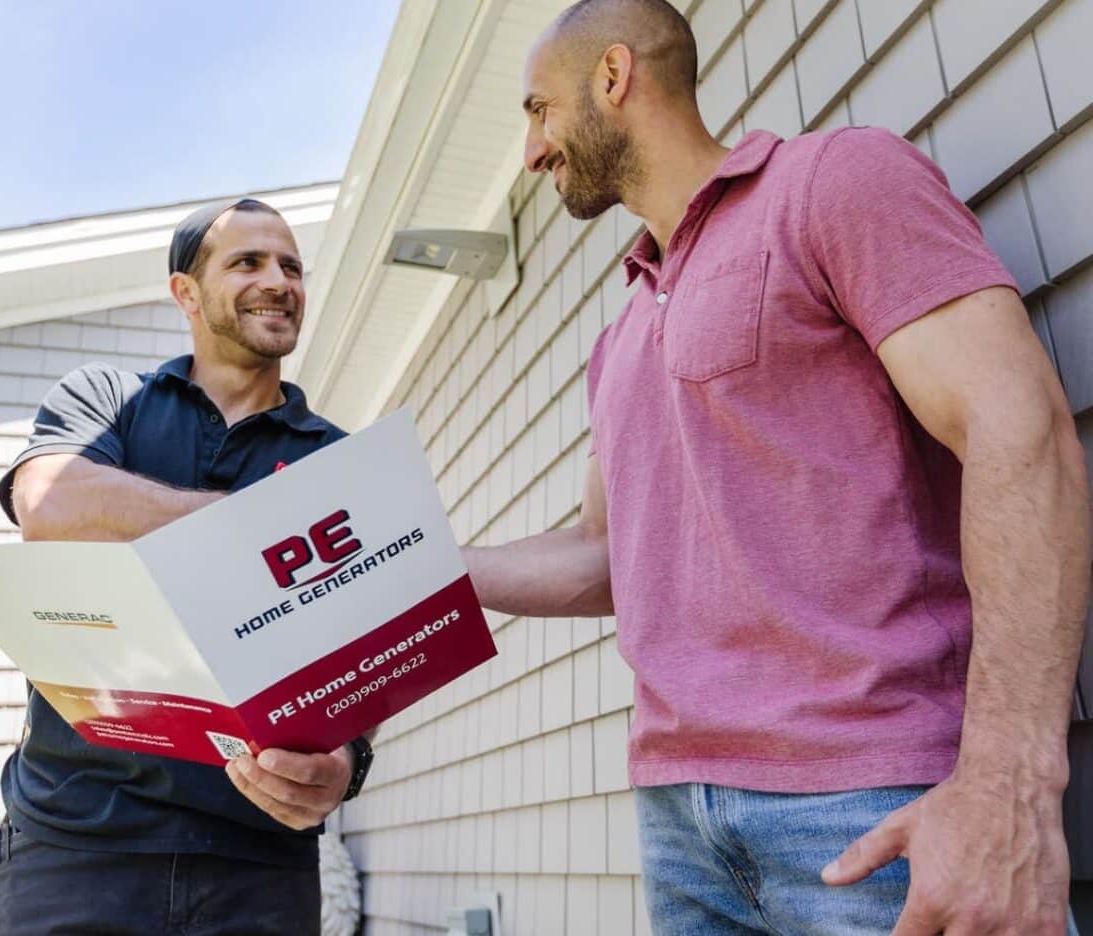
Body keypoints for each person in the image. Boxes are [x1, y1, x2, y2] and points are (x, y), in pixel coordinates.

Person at [462, 0, 1090, 933]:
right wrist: (432, 571)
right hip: (681, 825)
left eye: (537, 111)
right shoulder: (621, 334)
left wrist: (1009, 780)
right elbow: (606, 553)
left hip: (869, 799)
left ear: (612, 76)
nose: (533, 151)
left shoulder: (834, 183)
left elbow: (1020, 431)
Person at [0, 198, 375, 936]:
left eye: (292, 265)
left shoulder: (339, 459)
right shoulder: (106, 401)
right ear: (185, 294)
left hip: (258, 864)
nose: (280, 280)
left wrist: (347, 764)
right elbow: (50, 507)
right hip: (74, 849)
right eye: (248, 262)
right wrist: (268, 527)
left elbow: (358, 645)